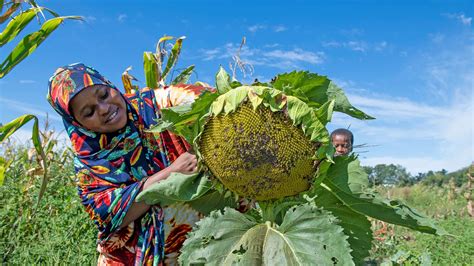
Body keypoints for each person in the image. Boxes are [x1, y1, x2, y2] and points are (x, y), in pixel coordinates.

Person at [47, 63, 209, 265]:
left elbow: (201, 100)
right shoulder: (89, 162)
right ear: (78, 124)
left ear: (110, 85)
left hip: (197, 249)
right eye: (89, 112)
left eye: (104, 95)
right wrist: (171, 174)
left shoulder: (151, 106)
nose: (105, 109)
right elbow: (108, 215)